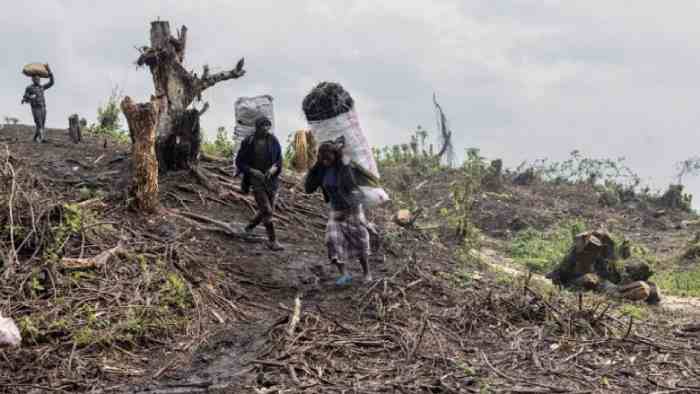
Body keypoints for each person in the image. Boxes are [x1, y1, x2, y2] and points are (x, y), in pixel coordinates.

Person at [304, 140, 372, 285]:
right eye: (321, 157)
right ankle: (345, 274)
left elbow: (356, 191)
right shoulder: (322, 169)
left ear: (335, 155)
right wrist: (315, 167)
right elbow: (308, 188)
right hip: (336, 210)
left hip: (353, 210)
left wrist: (349, 211)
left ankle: (367, 273)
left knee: (360, 241)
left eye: (328, 157)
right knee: (332, 240)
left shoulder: (345, 168)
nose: (325, 160)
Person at [234, 116, 284, 251]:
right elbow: (239, 162)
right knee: (267, 210)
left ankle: (248, 228)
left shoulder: (273, 140)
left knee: (266, 211)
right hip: (256, 180)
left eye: (268, 126)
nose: (266, 129)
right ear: (257, 127)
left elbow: (279, 160)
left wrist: (274, 168)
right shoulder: (248, 141)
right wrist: (252, 171)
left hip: (271, 181)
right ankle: (272, 241)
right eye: (263, 126)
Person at [21, 64, 54, 143]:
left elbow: (51, 83)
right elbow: (25, 97)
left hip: (43, 108)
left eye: (38, 79)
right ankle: (42, 138)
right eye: (35, 79)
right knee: (39, 123)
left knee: (41, 124)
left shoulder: (42, 87)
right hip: (35, 108)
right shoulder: (29, 88)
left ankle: (34, 138)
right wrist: (29, 98)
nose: (37, 80)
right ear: (32, 79)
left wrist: (49, 71)